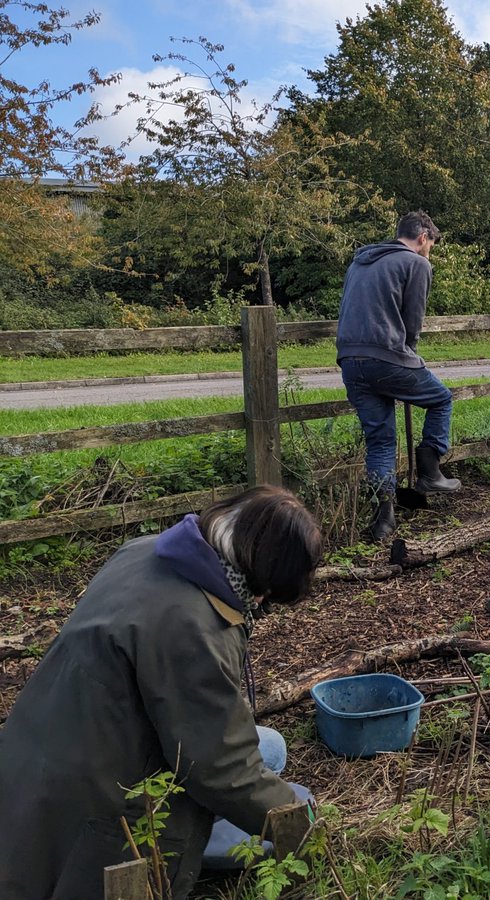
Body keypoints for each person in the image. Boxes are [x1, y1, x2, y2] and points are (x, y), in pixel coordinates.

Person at [0, 486, 325, 899]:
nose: (260, 605)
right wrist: (305, 831)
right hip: (98, 794)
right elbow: (220, 767)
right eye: (266, 597)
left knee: (271, 747)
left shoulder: (146, 550)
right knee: (270, 793)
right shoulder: (192, 627)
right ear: (261, 569)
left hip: (36, 749)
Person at [337, 210, 461, 542]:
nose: (429, 251)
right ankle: (431, 470)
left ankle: (384, 518)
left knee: (380, 441)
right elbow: (413, 319)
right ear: (423, 238)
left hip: (350, 359)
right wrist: (409, 352)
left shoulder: (360, 263)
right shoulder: (416, 263)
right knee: (441, 400)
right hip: (387, 356)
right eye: (430, 245)